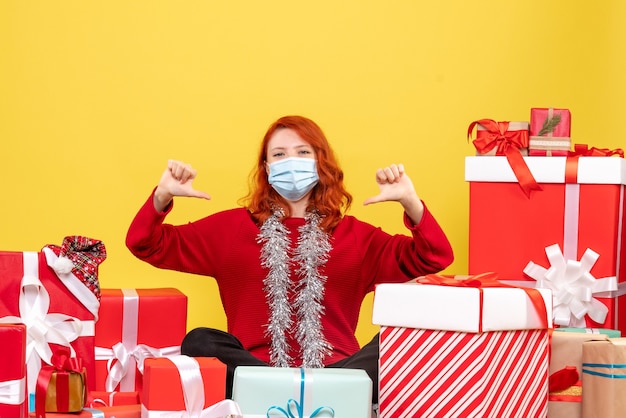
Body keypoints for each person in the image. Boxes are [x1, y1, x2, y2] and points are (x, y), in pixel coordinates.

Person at [125, 115, 454, 402]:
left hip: (338, 373)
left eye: (302, 153)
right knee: (199, 340)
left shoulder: (357, 236)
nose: (290, 161)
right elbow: (145, 243)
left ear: (319, 162)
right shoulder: (230, 230)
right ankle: (283, 389)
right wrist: (162, 195)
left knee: (398, 344)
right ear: (267, 167)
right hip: (257, 372)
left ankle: (314, 391)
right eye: (279, 155)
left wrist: (411, 202)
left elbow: (434, 256)